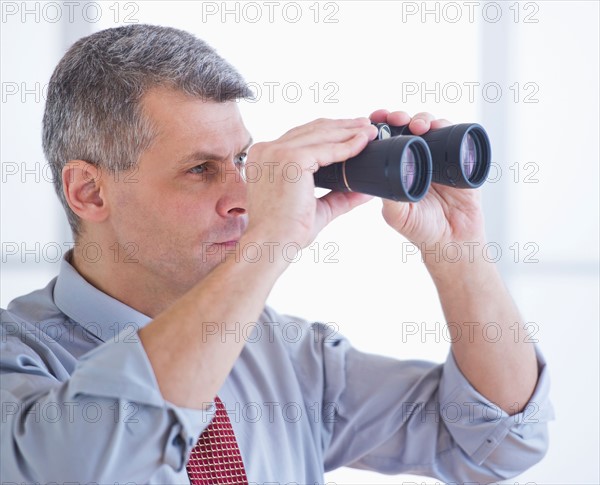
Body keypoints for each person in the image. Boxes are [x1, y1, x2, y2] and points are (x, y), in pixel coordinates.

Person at [0, 24, 553, 485]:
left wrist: (459, 249)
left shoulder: (285, 355)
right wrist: (269, 244)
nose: (243, 198)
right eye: (199, 169)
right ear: (89, 193)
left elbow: (497, 439)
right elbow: (94, 461)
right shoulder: (17, 360)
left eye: (242, 160)